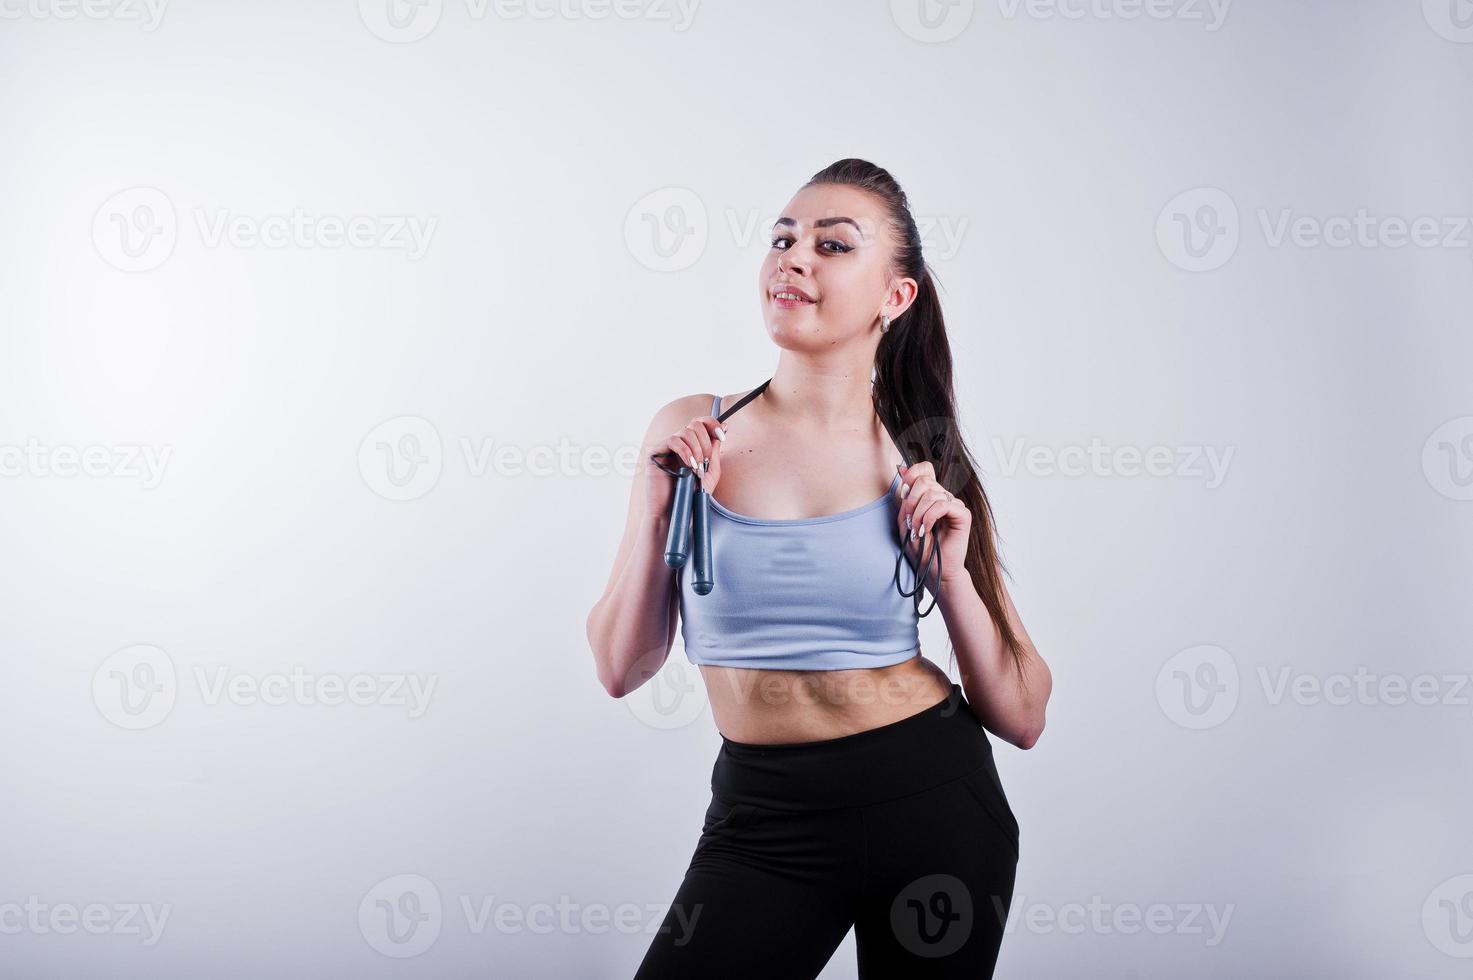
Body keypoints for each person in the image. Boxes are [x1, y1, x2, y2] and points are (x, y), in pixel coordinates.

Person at [586, 158, 1052, 979]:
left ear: (893, 297)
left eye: (833, 245)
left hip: (932, 809)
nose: (793, 258)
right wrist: (662, 507)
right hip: (760, 820)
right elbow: (622, 667)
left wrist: (952, 578)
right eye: (782, 239)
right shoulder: (692, 429)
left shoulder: (922, 455)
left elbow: (1020, 714)